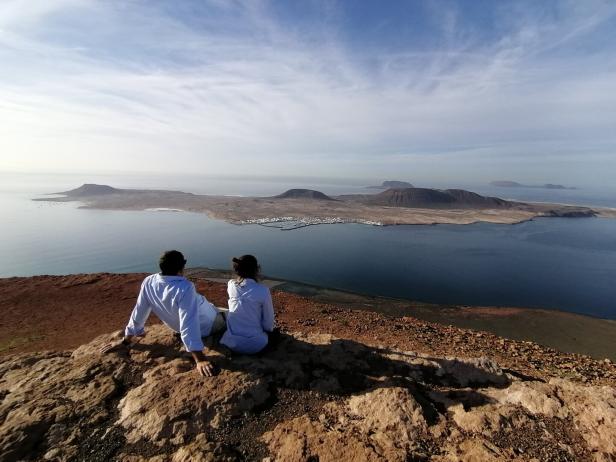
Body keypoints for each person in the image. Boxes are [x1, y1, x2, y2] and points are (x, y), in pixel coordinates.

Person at [100, 250, 225, 377]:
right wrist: (199, 358)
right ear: (182, 266)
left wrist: (126, 340)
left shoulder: (149, 281)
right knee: (231, 315)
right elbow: (189, 322)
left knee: (213, 307)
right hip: (208, 326)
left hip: (180, 327)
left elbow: (139, 311)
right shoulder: (185, 287)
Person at [220, 255, 275, 354]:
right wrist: (269, 331)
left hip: (231, 342)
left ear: (237, 269)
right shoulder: (263, 290)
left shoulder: (231, 285)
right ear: (257, 270)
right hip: (256, 344)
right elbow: (268, 322)